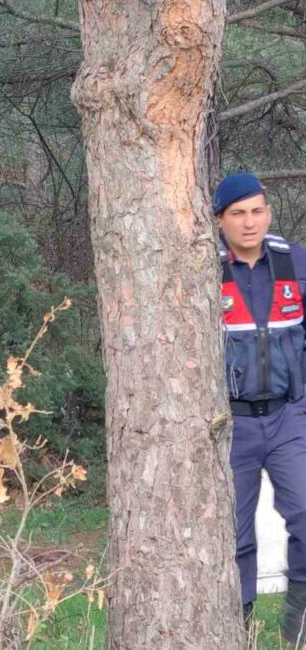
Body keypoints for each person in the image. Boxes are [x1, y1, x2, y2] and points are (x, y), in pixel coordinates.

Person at [212, 173, 306, 641]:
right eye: (237, 213)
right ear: (220, 220)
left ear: (268, 212)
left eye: (257, 211)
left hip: (290, 418)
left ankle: (297, 629)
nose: (249, 223)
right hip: (233, 425)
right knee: (234, 534)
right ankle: (240, 630)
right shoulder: (205, 272)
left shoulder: (295, 264)